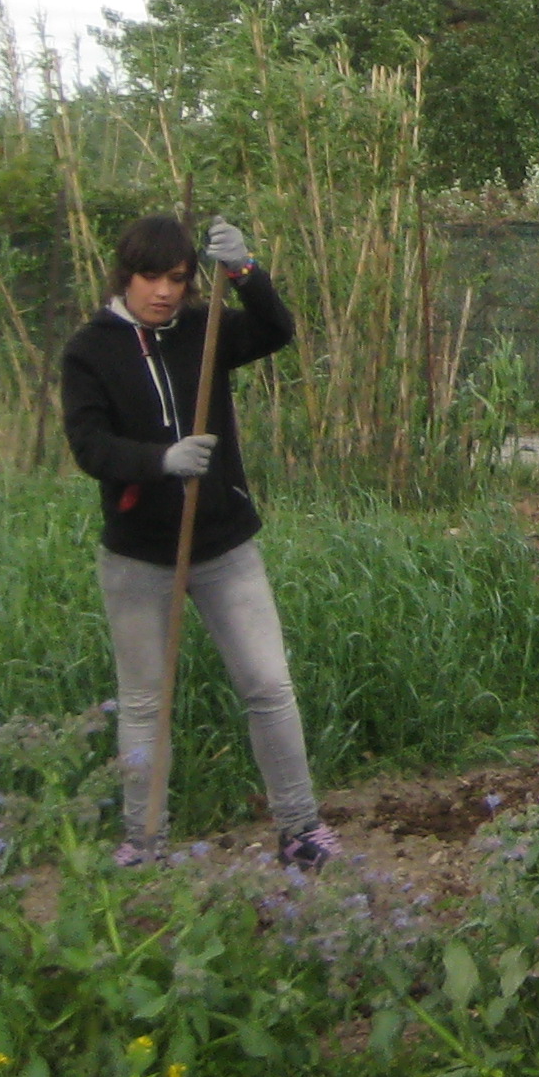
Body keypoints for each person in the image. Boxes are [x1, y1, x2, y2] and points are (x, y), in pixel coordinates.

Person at [60, 213, 339, 871]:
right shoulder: (89, 350)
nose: (164, 292)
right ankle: (144, 842)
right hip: (138, 555)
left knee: (269, 686)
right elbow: (90, 446)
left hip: (224, 545)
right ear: (124, 276)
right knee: (144, 704)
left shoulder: (203, 330)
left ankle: (300, 829)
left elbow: (276, 329)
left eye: (178, 279)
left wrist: (244, 272)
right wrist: (160, 461)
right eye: (150, 277)